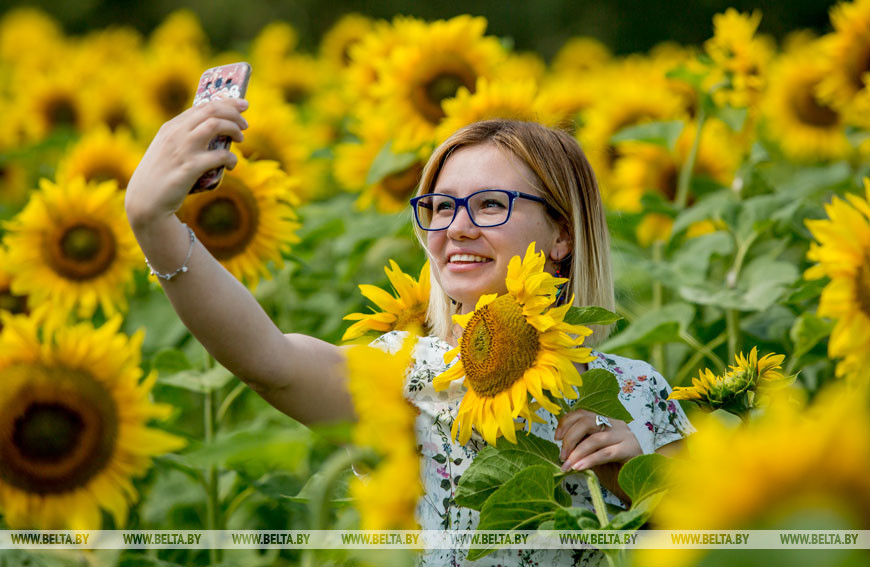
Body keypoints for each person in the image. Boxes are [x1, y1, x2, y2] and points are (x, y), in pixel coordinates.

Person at [125, 98, 693, 566]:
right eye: (440, 207)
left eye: (490, 204)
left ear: (562, 235)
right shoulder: (405, 372)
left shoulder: (636, 393)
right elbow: (266, 359)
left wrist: (643, 481)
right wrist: (154, 223)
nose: (457, 228)